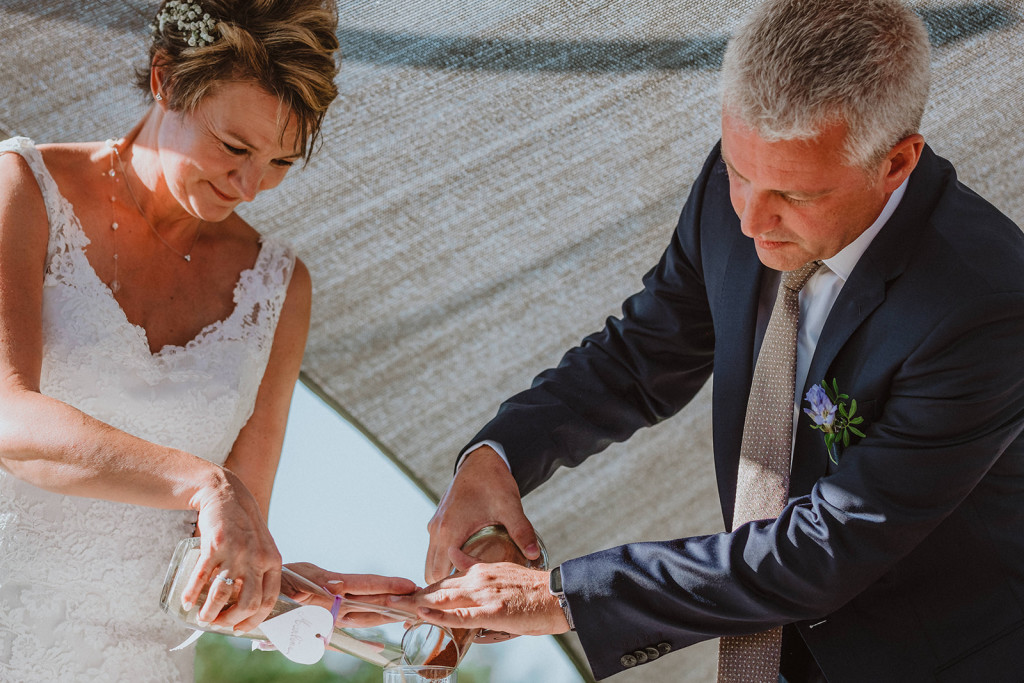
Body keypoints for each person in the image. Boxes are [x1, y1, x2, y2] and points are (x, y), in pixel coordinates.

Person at [392, 0, 1024, 680]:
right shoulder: (736, 195)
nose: (752, 221)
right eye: (739, 173)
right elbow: (639, 358)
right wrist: (497, 456)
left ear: (896, 163)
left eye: (792, 194)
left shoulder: (985, 305)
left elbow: (823, 549)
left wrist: (561, 598)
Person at [0, 1, 414, 680]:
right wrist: (200, 480)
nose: (250, 187)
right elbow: (8, 415)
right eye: (234, 147)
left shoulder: (281, 289)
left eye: (282, 159)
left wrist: (294, 596)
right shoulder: (22, 189)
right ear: (166, 79)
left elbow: (229, 534)